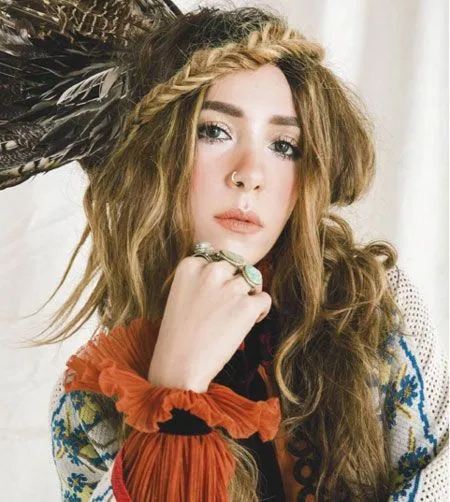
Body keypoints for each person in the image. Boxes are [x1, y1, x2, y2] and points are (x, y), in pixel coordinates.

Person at [1, 2, 447, 501]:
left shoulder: (370, 309)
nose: (250, 174)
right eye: (214, 131)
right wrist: (175, 389)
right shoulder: (90, 401)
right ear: (155, 156)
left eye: (284, 146)